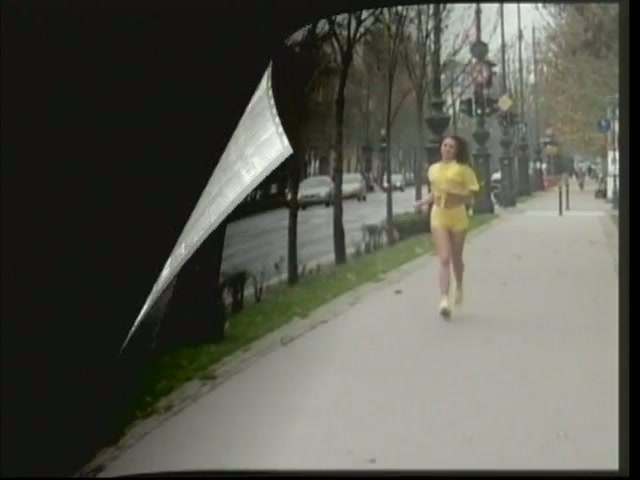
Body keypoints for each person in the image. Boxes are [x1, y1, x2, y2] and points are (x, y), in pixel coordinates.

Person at [415, 135, 480, 319]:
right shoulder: (433, 169)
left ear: (457, 151)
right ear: (441, 147)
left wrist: (457, 192)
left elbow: (472, 193)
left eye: (451, 147)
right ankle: (444, 299)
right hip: (439, 215)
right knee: (444, 258)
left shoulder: (463, 170)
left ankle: (459, 285)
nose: (447, 149)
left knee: (456, 258)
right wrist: (424, 201)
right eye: (445, 145)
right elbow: (435, 193)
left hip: (457, 215)